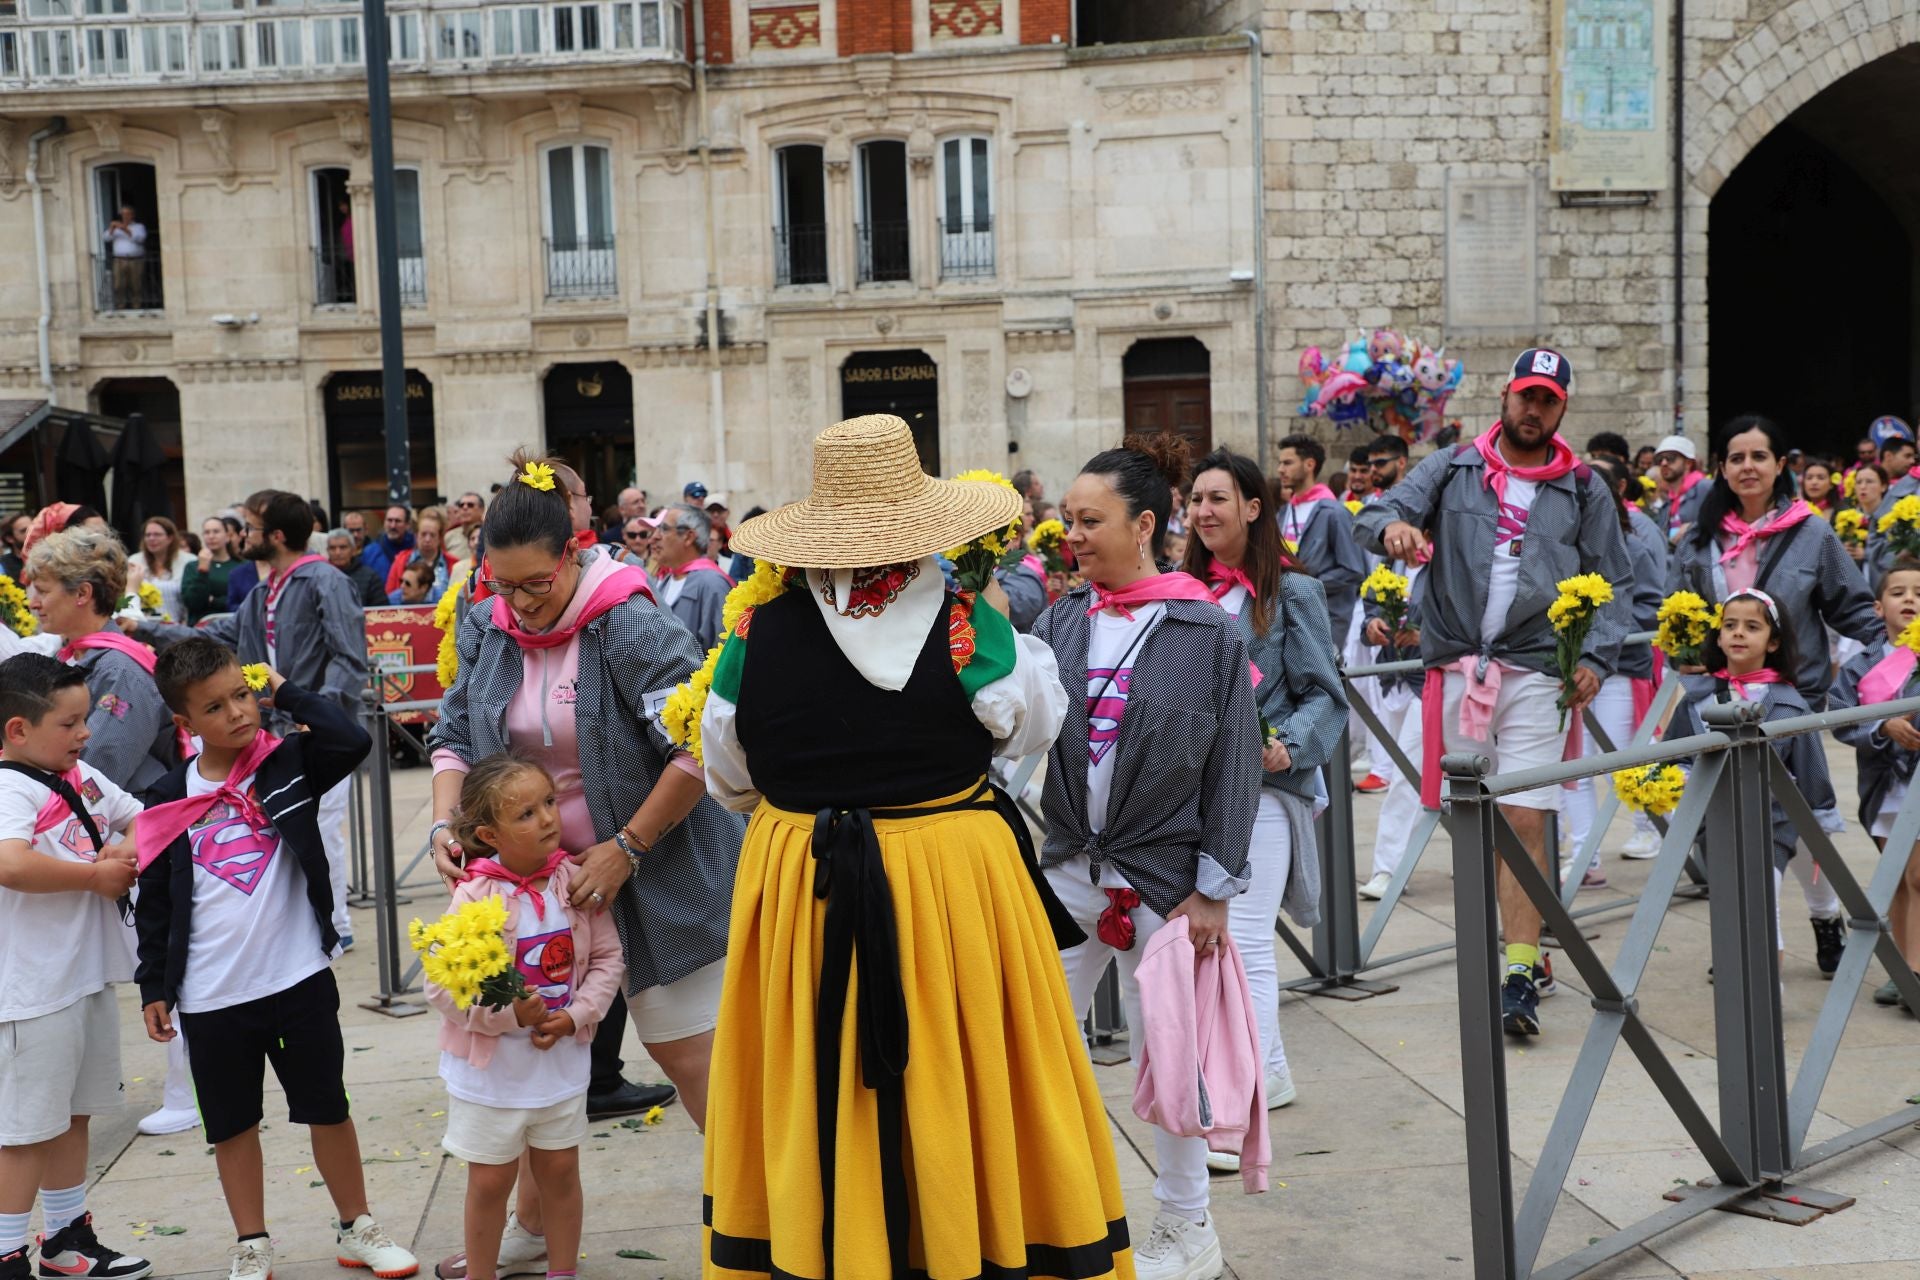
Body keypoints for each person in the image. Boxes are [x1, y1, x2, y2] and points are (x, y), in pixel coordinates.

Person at [698, 413, 1129, 1280]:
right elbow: (1032, 727)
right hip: (947, 882)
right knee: (961, 1064)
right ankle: (976, 1234)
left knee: (818, 1076)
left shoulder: (753, 635)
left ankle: (834, 1245)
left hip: (806, 880)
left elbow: (728, 774)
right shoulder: (974, 627)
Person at [427, 452, 739, 1280]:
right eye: (504, 587)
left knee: (689, 1055)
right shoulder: (487, 617)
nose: (520, 604)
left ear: (573, 553)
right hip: (536, 884)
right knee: (535, 1057)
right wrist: (447, 822)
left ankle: (758, 1222)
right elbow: (454, 730)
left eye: (535, 585)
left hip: (658, 870)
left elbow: (694, 744)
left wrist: (627, 847)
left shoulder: (628, 621)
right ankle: (530, 1225)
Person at [1357, 347, 1634, 1039]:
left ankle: (1518, 968)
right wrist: (1392, 527)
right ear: (1506, 398)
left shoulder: (1582, 487)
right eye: (1525, 396)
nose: (1533, 409)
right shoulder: (1452, 466)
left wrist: (1596, 656)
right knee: (1476, 818)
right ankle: (1515, 938)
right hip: (1457, 667)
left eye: (1547, 399)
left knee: (1528, 817)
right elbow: (1376, 512)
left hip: (1538, 669)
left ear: (1561, 407)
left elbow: (1617, 580)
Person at [1037, 433, 1262, 1279]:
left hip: (1163, 884)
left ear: (1144, 526)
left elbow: (1235, 763)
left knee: (1169, 1056)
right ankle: (1053, 1208)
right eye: (1067, 520)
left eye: (1090, 521)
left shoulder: (1207, 633)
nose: (1074, 536)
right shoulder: (1058, 618)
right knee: (1033, 1041)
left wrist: (1213, 888)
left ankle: (1186, 1227)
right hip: (1065, 871)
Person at [135, 640, 416, 1280]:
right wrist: (155, 982)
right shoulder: (164, 800)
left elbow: (350, 739)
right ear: (185, 725)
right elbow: (154, 902)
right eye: (216, 706)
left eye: (242, 694)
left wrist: (284, 691)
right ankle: (252, 1242)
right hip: (212, 996)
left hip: (297, 979)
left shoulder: (286, 762)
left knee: (328, 1108)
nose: (237, 713)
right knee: (231, 1126)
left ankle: (358, 1226)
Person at [1185, 447, 1346, 1137]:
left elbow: (1327, 697)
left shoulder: (1293, 594)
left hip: (1267, 789)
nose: (1204, 511)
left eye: (1218, 498)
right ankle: (1269, 1067)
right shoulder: (1179, 593)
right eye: (1196, 500)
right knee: (1215, 943)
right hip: (1195, 795)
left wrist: (1288, 743)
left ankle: (1248, 1080)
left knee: (1247, 938)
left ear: (1254, 508)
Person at [134, 490, 369, 948]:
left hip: (312, 732)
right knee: (280, 829)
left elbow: (349, 657)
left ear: (276, 535)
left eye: (251, 527)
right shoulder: (264, 590)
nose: (244, 535)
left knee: (322, 829)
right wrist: (145, 627)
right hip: (267, 736)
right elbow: (222, 633)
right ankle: (288, 922)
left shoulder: (326, 581)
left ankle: (335, 925)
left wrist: (315, 710)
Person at [428, 757, 622, 1280]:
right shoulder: (473, 896)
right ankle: (481, 1273)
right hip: (492, 1075)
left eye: (549, 804)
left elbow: (607, 960)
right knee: (490, 1181)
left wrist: (577, 1015)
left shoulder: (576, 884)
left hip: (559, 1065)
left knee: (560, 1171)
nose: (547, 819)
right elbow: (441, 986)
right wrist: (506, 1015)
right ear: (490, 834)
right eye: (526, 814)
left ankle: (561, 1271)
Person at [0, 654, 150, 1280]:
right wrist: (95, 875)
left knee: (73, 1112)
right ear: (18, 730)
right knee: (26, 1127)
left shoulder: (78, 773)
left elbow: (142, 815)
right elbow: (10, 863)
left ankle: (66, 1236)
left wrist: (129, 846)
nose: (85, 733)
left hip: (83, 976)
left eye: (85, 719)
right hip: (35, 990)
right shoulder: (10, 787)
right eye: (70, 723)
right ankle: (7, 1251)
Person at [1668, 591, 1842, 976]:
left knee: (1800, 879)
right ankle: (1737, 952)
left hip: (1779, 819)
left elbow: (1812, 764)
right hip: (1719, 823)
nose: (1738, 634)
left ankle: (1826, 922)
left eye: (1752, 626)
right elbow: (1674, 754)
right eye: (1729, 625)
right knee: (1735, 897)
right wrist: (1677, 779)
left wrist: (1819, 816)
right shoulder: (1695, 700)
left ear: (1774, 641)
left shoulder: (1790, 703)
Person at [1667, 415, 1879, 705]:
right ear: (1723, 469)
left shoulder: (1811, 533)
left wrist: (1901, 644)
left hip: (1794, 697)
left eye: (1759, 456)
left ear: (1779, 466)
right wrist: (1682, 656)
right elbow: (1676, 612)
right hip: (1718, 697)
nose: (1748, 466)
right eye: (1737, 458)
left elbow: (1852, 608)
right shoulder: (1698, 540)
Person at [1560, 459, 1665, 885]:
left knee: (1626, 763)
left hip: (1620, 671)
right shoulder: (1564, 547)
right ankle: (1586, 858)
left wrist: (1598, 632)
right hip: (1574, 671)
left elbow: (1648, 609)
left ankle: (1671, 829)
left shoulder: (1634, 546)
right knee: (1576, 765)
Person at [27, 528, 181, 800]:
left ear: (82, 594)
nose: (33, 603)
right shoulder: (75, 655)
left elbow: (96, 775)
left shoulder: (121, 672)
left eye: (42, 591)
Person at [1828, 557, 1920, 1011]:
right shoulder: (1861, 663)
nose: (1910, 599)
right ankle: (1902, 967)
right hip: (1884, 784)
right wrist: (1883, 728)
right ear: (1878, 607)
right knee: (1899, 880)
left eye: (1919, 593)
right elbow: (1841, 718)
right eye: (1899, 592)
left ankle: (1916, 973)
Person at [1272, 433, 1365, 647]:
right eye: (1279, 463)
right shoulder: (1284, 512)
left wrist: (1307, 584)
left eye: (1287, 463)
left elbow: (1353, 570)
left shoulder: (1334, 512)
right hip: (1288, 620)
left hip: (1326, 622)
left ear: (1309, 464)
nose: (1280, 470)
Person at [653, 504, 733, 652]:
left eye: (664, 529)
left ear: (688, 537)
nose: (654, 537)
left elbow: (723, 652)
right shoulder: (665, 579)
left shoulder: (713, 585)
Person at [129, 518, 193, 624]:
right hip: (143, 626)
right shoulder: (133, 561)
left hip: (180, 626)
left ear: (170, 538)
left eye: (157, 534)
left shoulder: (189, 561)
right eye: (148, 535)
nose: (151, 538)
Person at [386, 506, 455, 604]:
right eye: (423, 534)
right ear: (416, 535)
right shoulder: (401, 561)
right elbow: (390, 596)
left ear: (440, 537)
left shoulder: (453, 563)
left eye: (432, 535)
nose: (427, 539)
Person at [181, 516, 243, 624]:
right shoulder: (192, 566)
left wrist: (213, 600)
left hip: (234, 625)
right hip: (201, 628)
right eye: (207, 532)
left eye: (216, 531)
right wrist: (202, 571)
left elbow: (244, 601)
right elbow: (193, 602)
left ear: (227, 536)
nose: (211, 536)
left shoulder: (241, 565)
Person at [1653, 433, 1707, 543]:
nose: (1663, 463)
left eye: (1670, 458)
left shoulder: (1704, 487)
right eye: (1660, 459)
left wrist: (1693, 527)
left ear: (1688, 463)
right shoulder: (1668, 499)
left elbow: (1726, 521)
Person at [326, 529, 388, 607]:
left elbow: (381, 610)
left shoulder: (370, 578)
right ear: (327, 551)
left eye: (343, 547)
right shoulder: (320, 577)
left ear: (353, 550)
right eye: (332, 548)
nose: (337, 553)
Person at [103, 205, 148, 310]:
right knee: (118, 285)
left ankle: (137, 306)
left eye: (127, 214)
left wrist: (126, 229)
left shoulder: (139, 227)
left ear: (132, 215)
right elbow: (106, 238)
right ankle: (120, 307)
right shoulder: (116, 228)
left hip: (135, 260)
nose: (124, 216)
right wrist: (111, 229)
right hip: (119, 260)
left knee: (136, 285)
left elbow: (140, 239)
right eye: (122, 214)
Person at [361, 505, 415, 582]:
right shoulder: (370, 552)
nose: (393, 526)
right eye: (389, 520)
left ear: (407, 525)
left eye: (398, 521)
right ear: (384, 523)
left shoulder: (417, 551)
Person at [445, 493, 486, 566]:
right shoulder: (449, 536)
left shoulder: (489, 534)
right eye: (461, 505)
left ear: (481, 510)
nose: (465, 507)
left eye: (470, 505)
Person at [0, 514, 29, 581]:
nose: (31, 532)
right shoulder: (3, 566)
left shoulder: (49, 560)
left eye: (33, 528)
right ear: (10, 538)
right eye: (24, 531)